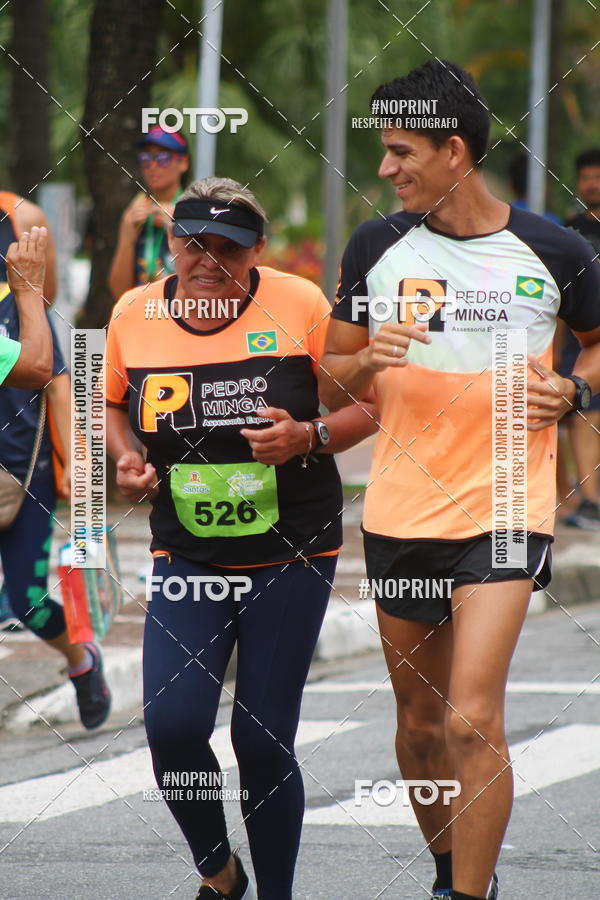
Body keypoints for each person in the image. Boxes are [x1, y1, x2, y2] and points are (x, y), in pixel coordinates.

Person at [319, 60, 600, 900]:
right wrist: (366, 355)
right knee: (419, 726)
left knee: (473, 716)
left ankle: (465, 896)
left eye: (401, 151)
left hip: (510, 501)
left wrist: (577, 387)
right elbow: (327, 379)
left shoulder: (555, 248)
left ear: (454, 152)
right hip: (403, 507)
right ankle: (449, 869)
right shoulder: (376, 248)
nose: (385, 168)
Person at [105, 177, 378, 900]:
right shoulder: (135, 313)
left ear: (258, 251)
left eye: (227, 248)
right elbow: (105, 403)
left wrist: (307, 437)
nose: (207, 260)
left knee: (260, 741)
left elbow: (367, 408)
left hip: (291, 550)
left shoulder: (300, 304)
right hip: (188, 550)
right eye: (192, 242)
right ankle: (219, 872)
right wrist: (126, 457)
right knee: (172, 726)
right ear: (172, 244)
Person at [0, 191, 111, 729]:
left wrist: (79, 466)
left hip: (26, 461)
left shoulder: (18, 221)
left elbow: (56, 371)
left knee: (26, 600)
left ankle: (81, 660)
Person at [556, 148, 600, 528]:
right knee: (586, 412)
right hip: (581, 341)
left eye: (598, 176)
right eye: (586, 177)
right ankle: (589, 500)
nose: (592, 184)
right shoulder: (569, 234)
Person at [108, 126, 189, 298]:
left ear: (183, 163)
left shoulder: (194, 207)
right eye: (145, 158)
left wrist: (182, 225)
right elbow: (119, 292)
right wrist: (127, 234)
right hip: (143, 312)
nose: (152, 165)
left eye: (163, 158)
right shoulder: (135, 213)